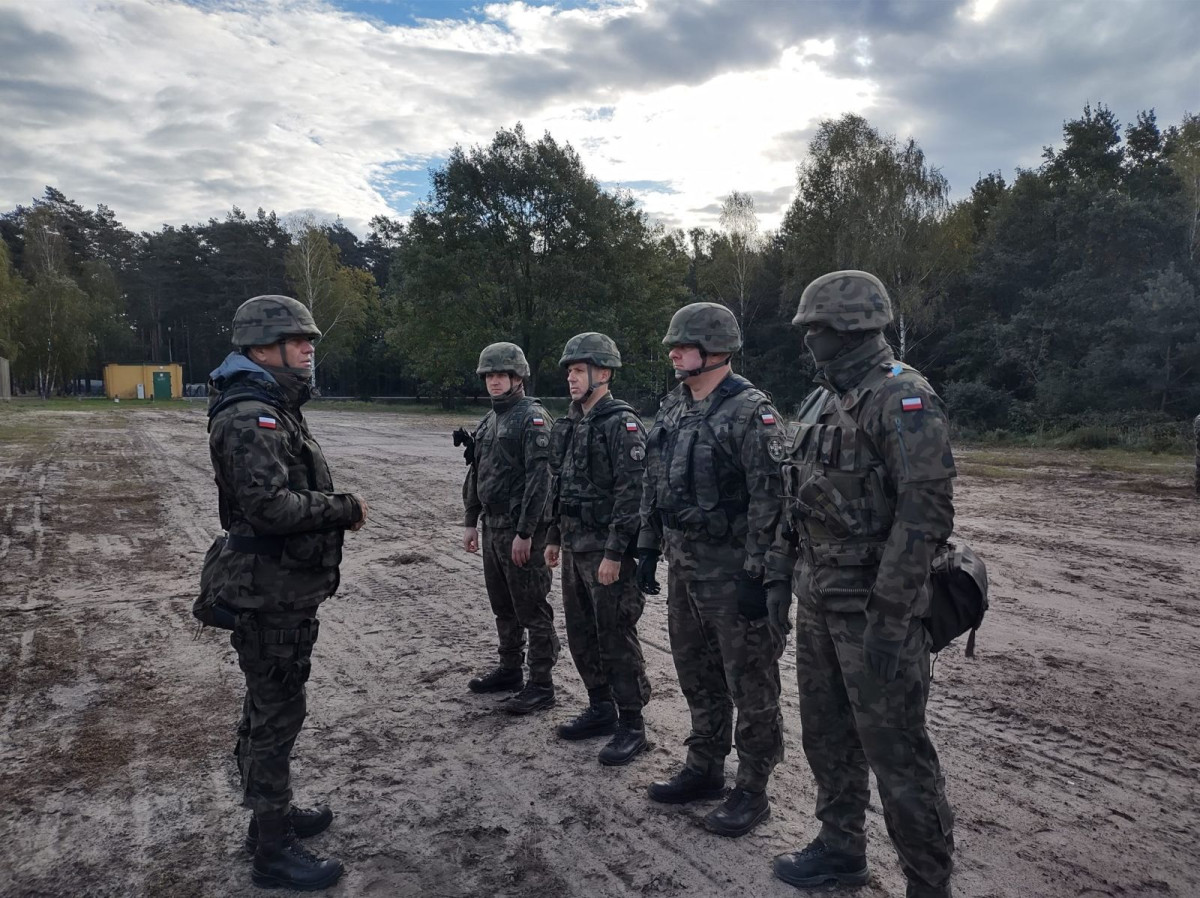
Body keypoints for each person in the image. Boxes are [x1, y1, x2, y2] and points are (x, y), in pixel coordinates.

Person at [767, 271, 956, 898]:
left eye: (813, 330)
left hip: (878, 616)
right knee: (827, 739)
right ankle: (839, 850)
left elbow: (923, 514)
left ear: (847, 330)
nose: (807, 342)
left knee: (898, 757)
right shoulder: (822, 401)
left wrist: (889, 619)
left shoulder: (903, 398)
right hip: (820, 603)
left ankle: (928, 884)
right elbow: (798, 500)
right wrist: (780, 580)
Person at [199, 295, 367, 891]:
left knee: (270, 703)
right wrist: (342, 507)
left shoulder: (271, 404)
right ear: (262, 348)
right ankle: (273, 847)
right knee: (275, 712)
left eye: (310, 341)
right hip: (269, 590)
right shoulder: (252, 414)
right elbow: (268, 507)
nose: (309, 350)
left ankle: (270, 814)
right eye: (299, 341)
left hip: (282, 588)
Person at [638, 302, 787, 838]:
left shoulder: (752, 412)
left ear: (716, 349)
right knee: (695, 674)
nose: (674, 352)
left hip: (734, 576)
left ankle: (752, 788)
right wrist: (646, 549)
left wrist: (758, 577)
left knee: (750, 682)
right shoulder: (674, 407)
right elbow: (655, 486)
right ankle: (704, 767)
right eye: (674, 345)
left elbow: (773, 501)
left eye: (685, 344)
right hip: (685, 568)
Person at [544, 333, 652, 766]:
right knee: (583, 634)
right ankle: (600, 707)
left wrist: (614, 553)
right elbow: (559, 484)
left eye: (579, 370)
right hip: (574, 546)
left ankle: (632, 724)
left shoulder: (620, 424)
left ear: (602, 373)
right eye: (569, 371)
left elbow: (632, 494)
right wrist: (553, 536)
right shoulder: (569, 423)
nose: (571, 378)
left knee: (614, 635)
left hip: (607, 553)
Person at [462, 342, 560, 714]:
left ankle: (541, 684)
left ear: (518, 377)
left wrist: (526, 533)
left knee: (531, 608)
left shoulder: (532, 418)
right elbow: (477, 471)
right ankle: (509, 669)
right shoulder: (489, 420)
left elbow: (541, 480)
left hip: (520, 531)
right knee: (502, 605)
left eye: (501, 375)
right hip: (493, 526)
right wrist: (471, 520)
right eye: (489, 375)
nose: (494, 381)